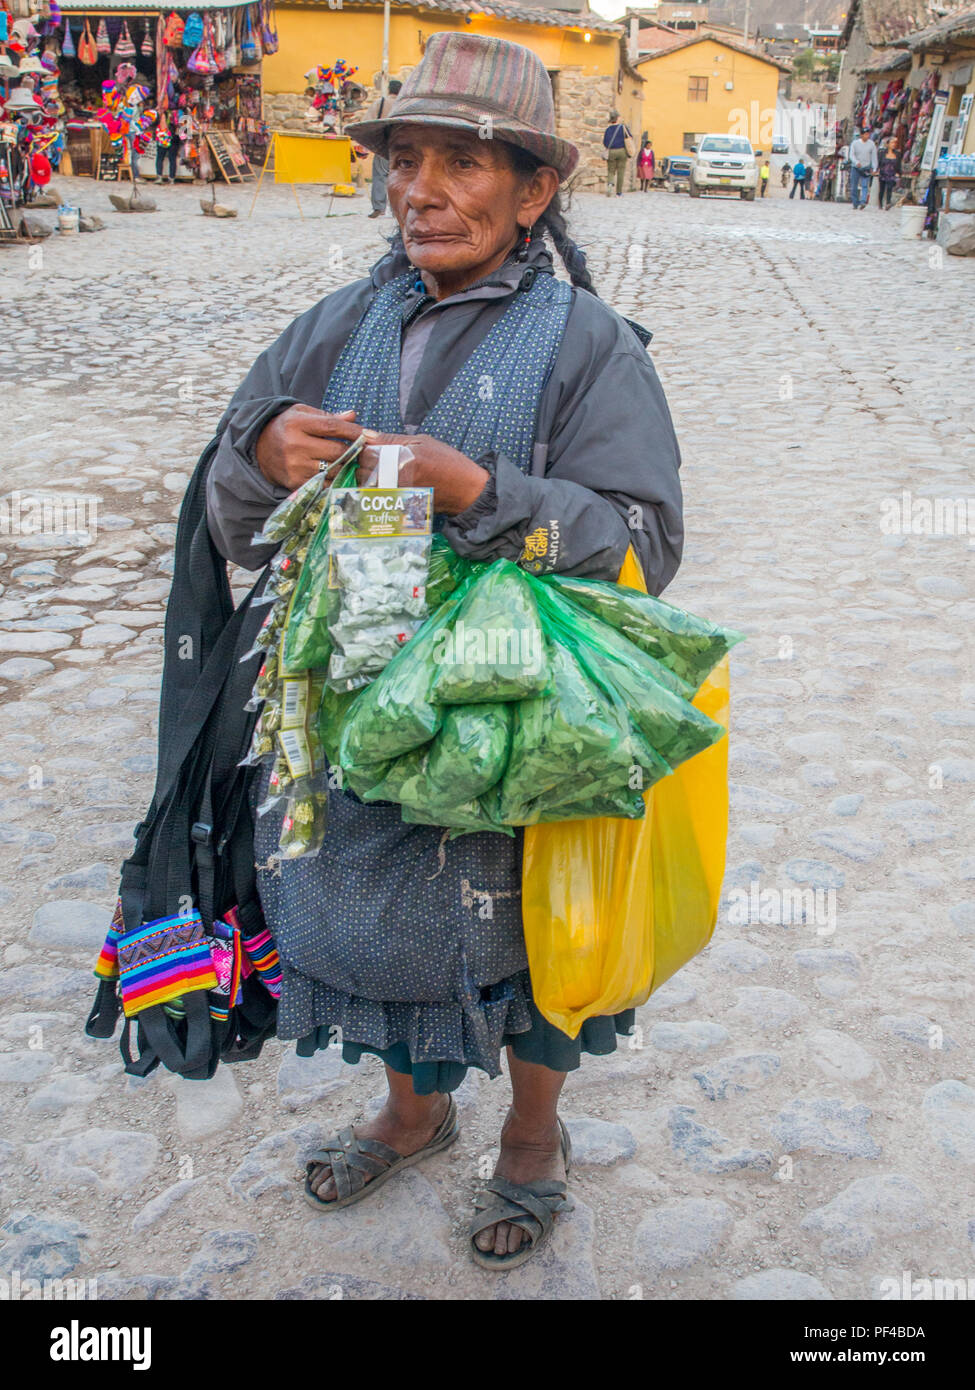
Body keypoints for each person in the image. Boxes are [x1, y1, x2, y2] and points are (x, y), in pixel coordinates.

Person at [205, 31, 683, 1271]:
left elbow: (642, 542)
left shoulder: (588, 345)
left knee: (524, 933)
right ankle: (413, 1113)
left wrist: (480, 488)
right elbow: (228, 498)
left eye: (463, 165)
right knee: (373, 917)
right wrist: (260, 460)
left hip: (514, 727)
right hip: (354, 706)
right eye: (404, 161)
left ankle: (532, 1138)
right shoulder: (336, 324)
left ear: (534, 194)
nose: (422, 190)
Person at [366, 78, 402, 218]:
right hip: (401, 146)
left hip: (383, 144)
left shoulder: (380, 103)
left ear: (389, 90)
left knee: (380, 176)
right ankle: (398, 209)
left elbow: (367, 121)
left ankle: (379, 208)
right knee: (401, 176)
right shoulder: (405, 104)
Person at [602, 109, 632, 197]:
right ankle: (619, 192)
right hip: (622, 151)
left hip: (611, 151)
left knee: (611, 170)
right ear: (617, 118)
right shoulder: (623, 127)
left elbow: (605, 142)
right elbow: (629, 137)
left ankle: (610, 184)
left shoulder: (608, 130)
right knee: (621, 172)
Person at [848, 126, 878, 209]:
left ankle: (863, 201)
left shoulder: (871, 144)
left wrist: (874, 168)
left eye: (868, 134)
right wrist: (856, 162)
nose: (867, 136)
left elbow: (874, 157)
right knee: (854, 185)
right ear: (861, 135)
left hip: (866, 167)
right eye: (865, 134)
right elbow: (851, 155)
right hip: (856, 167)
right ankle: (855, 202)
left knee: (865, 185)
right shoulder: (855, 143)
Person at [154, 113, 179, 183]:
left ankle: (160, 177)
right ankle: (171, 178)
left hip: (165, 139)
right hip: (170, 139)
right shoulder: (174, 115)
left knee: (161, 158)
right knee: (171, 159)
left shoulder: (162, 115)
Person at [877, 138, 900, 210]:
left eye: (894, 143)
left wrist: (898, 172)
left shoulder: (897, 154)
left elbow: (899, 164)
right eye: (892, 143)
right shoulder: (882, 153)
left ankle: (888, 203)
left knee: (889, 188)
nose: (893, 144)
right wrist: (877, 170)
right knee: (882, 189)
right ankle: (880, 203)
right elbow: (879, 163)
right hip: (883, 173)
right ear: (888, 144)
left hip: (892, 173)